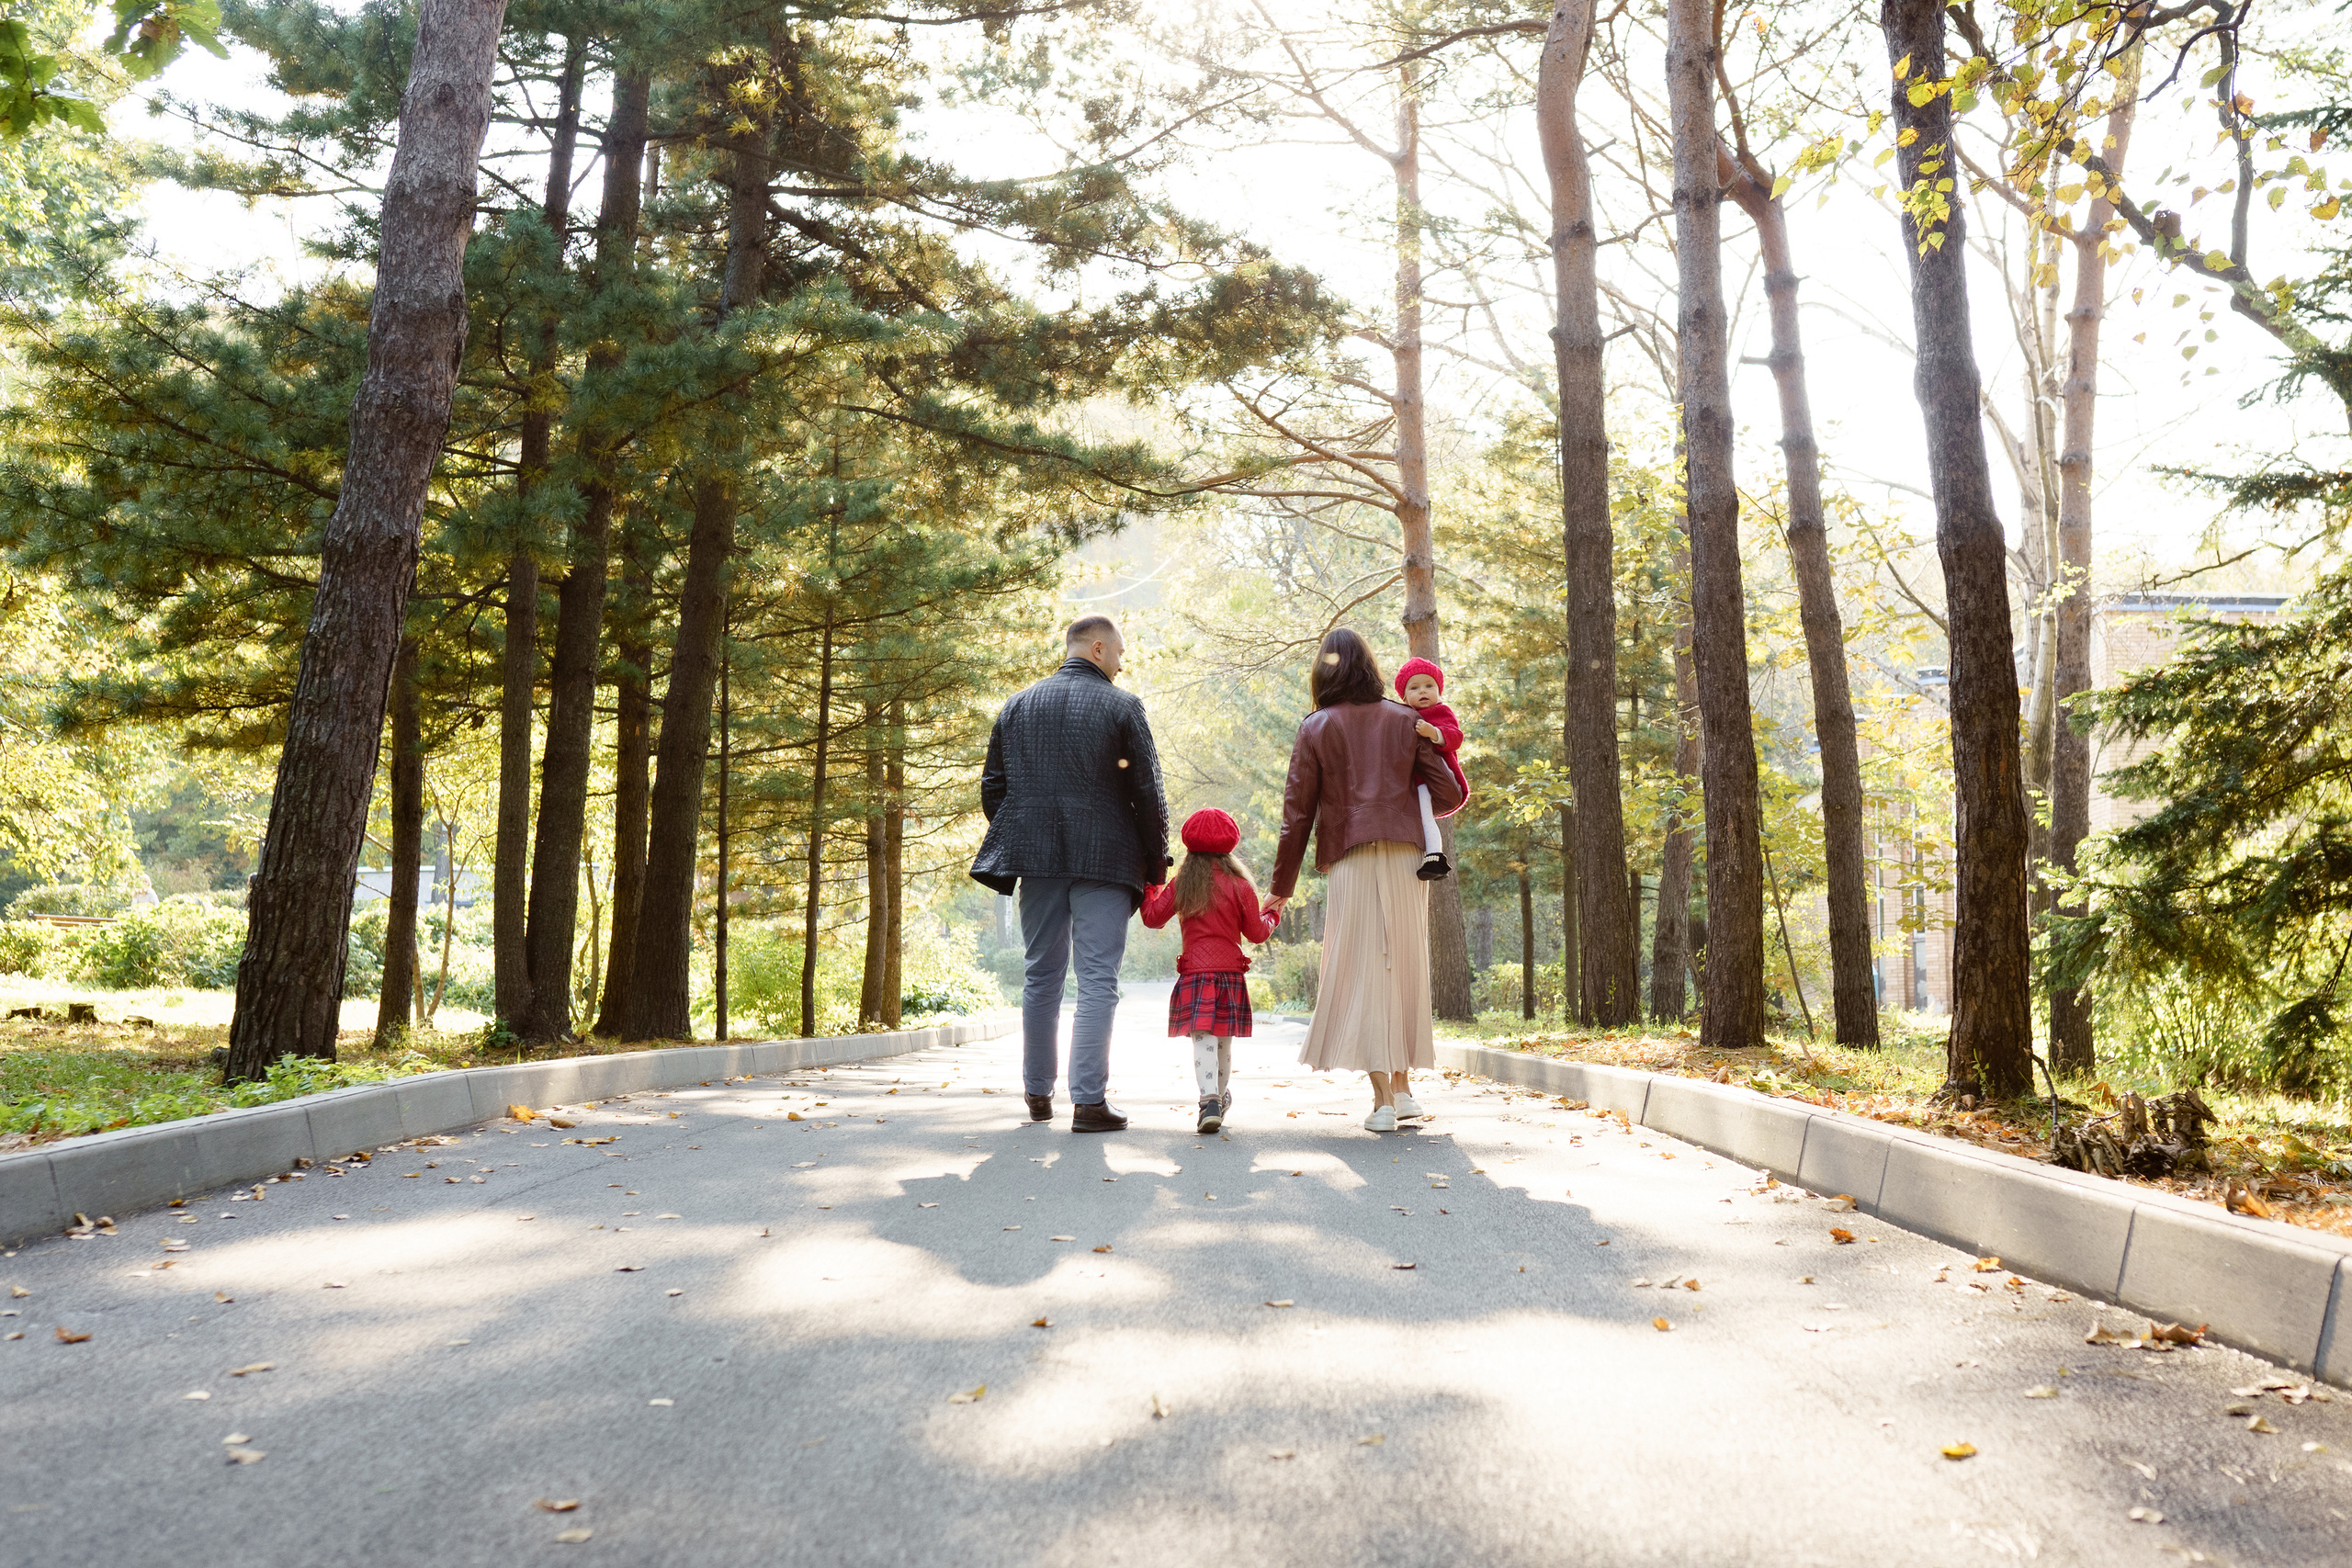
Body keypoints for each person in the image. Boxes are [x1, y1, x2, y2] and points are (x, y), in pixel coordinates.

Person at [971, 615, 1170, 1134]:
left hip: (1036, 862)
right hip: (1105, 860)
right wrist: (1155, 863)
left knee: (1041, 975)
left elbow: (994, 788)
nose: (1122, 665)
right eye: (1120, 654)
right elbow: (1148, 793)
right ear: (1099, 648)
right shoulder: (1122, 706)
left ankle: (1038, 1094)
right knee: (1098, 979)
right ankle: (1088, 1103)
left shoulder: (1017, 706)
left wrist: (1031, 830)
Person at [1264, 628, 1464, 1133]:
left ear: (1324, 673)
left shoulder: (1317, 727)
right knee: (1403, 963)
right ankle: (1404, 1089)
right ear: (1372, 668)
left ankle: (1381, 1103)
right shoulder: (1407, 719)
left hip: (1350, 858)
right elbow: (1447, 794)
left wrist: (1281, 888)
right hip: (1405, 856)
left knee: (1363, 967)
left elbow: (1297, 816)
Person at [1140, 808, 1274, 1135]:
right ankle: (1219, 1099)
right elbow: (1256, 933)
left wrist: (1150, 888)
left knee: (1203, 1038)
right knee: (1224, 1041)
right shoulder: (1240, 885)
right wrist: (1272, 916)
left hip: (1196, 974)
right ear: (1230, 845)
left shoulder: (1182, 884)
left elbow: (1153, 918)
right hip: (1229, 973)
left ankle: (1209, 1100)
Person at [1394, 656, 1469, 882]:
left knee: (1426, 816)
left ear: (1439, 691)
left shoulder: (1441, 712)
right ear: (1404, 696)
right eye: (1415, 687)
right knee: (1418, 816)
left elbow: (1455, 738)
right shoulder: (1402, 716)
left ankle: (1435, 856)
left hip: (1432, 777)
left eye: (1429, 686)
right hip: (1411, 781)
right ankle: (1424, 855)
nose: (1423, 691)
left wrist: (1434, 733)